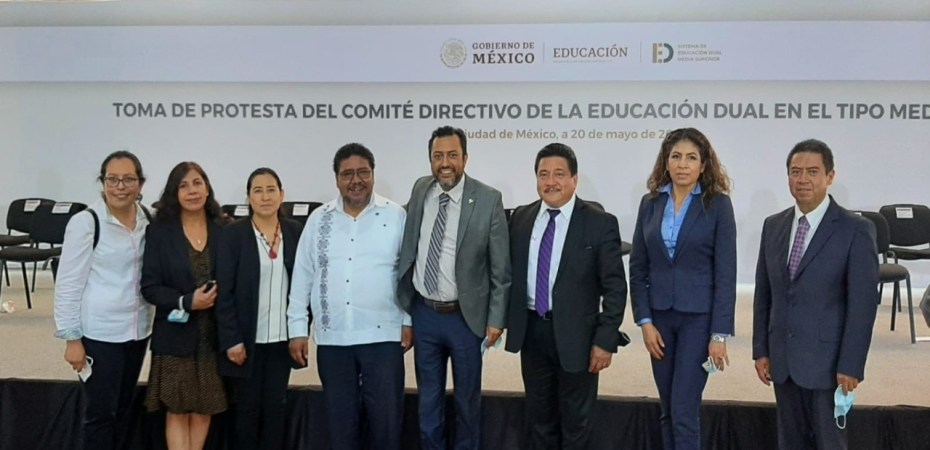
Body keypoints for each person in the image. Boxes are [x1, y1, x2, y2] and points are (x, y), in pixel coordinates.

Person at [752, 139, 878, 450]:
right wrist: (761, 350)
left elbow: (862, 306)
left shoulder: (855, 229)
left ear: (830, 176)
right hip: (783, 361)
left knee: (830, 443)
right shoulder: (773, 226)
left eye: (812, 171)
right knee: (789, 442)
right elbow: (764, 295)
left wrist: (851, 364)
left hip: (829, 365)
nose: (803, 179)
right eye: (796, 172)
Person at [504, 143, 627, 449]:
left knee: (576, 425)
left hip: (579, 338)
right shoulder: (520, 218)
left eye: (559, 174)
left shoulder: (600, 223)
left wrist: (605, 340)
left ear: (575, 179)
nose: (551, 182)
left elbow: (615, 288)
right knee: (539, 421)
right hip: (532, 333)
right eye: (543, 174)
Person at [287, 143, 410, 450]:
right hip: (334, 341)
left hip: (383, 338)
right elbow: (303, 276)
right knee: (341, 428)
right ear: (337, 179)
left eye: (363, 172)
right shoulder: (318, 219)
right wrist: (298, 329)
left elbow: (409, 274)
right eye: (347, 174)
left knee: (386, 427)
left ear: (373, 174)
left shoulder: (396, 215)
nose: (356, 180)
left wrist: (409, 321)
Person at [397, 126, 511, 450]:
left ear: (465, 158)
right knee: (428, 402)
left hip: (466, 318)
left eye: (452, 155)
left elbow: (501, 269)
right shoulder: (421, 189)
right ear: (430, 160)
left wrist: (496, 319)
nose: (445, 163)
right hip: (425, 314)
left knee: (466, 402)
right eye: (438, 156)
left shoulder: (488, 199)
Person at [628, 128, 736, 450]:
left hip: (698, 321)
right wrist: (645, 321)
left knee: (684, 409)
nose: (682, 164)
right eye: (676, 156)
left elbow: (726, 274)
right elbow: (638, 267)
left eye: (691, 158)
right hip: (659, 320)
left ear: (703, 165)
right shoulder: (650, 203)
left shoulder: (718, 205)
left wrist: (719, 335)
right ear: (666, 162)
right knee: (668, 409)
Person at [53, 150, 153, 450]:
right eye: (112, 179)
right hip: (100, 334)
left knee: (122, 409)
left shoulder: (148, 219)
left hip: (138, 330)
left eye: (128, 179)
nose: (120, 186)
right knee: (100, 415)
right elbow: (68, 284)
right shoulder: (86, 223)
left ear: (140, 183)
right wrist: (71, 339)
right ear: (103, 182)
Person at [141, 162, 228, 450]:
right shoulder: (159, 232)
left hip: (213, 336)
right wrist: (187, 301)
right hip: (175, 335)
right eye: (184, 185)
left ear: (207, 188)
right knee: (177, 410)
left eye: (197, 183)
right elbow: (150, 287)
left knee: (204, 408)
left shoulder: (224, 228)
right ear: (174, 193)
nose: (192, 191)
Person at [215, 168, 302, 450]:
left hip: (281, 340)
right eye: (258, 190)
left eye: (271, 189)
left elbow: (304, 285)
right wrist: (231, 339)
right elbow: (224, 292)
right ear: (249, 198)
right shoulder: (234, 234)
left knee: (276, 408)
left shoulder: (294, 231)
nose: (265, 197)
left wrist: (300, 331)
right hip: (245, 341)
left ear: (282, 195)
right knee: (247, 410)